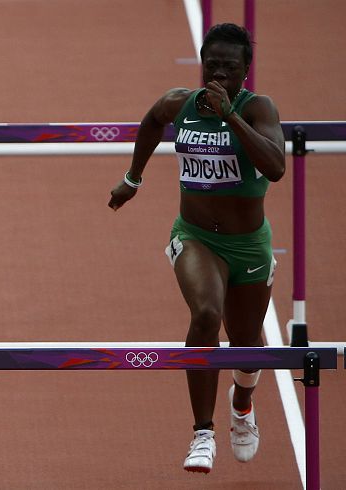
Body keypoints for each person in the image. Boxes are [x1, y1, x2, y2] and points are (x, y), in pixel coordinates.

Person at [108, 24, 285, 474]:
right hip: (195, 235)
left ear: (246, 71)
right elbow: (151, 122)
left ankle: (241, 405)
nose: (220, 73)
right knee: (206, 315)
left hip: (248, 245)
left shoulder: (257, 107)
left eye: (231, 66)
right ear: (202, 62)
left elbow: (276, 166)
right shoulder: (178, 102)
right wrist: (133, 178)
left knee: (246, 341)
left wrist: (230, 117)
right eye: (213, 64)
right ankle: (202, 434)